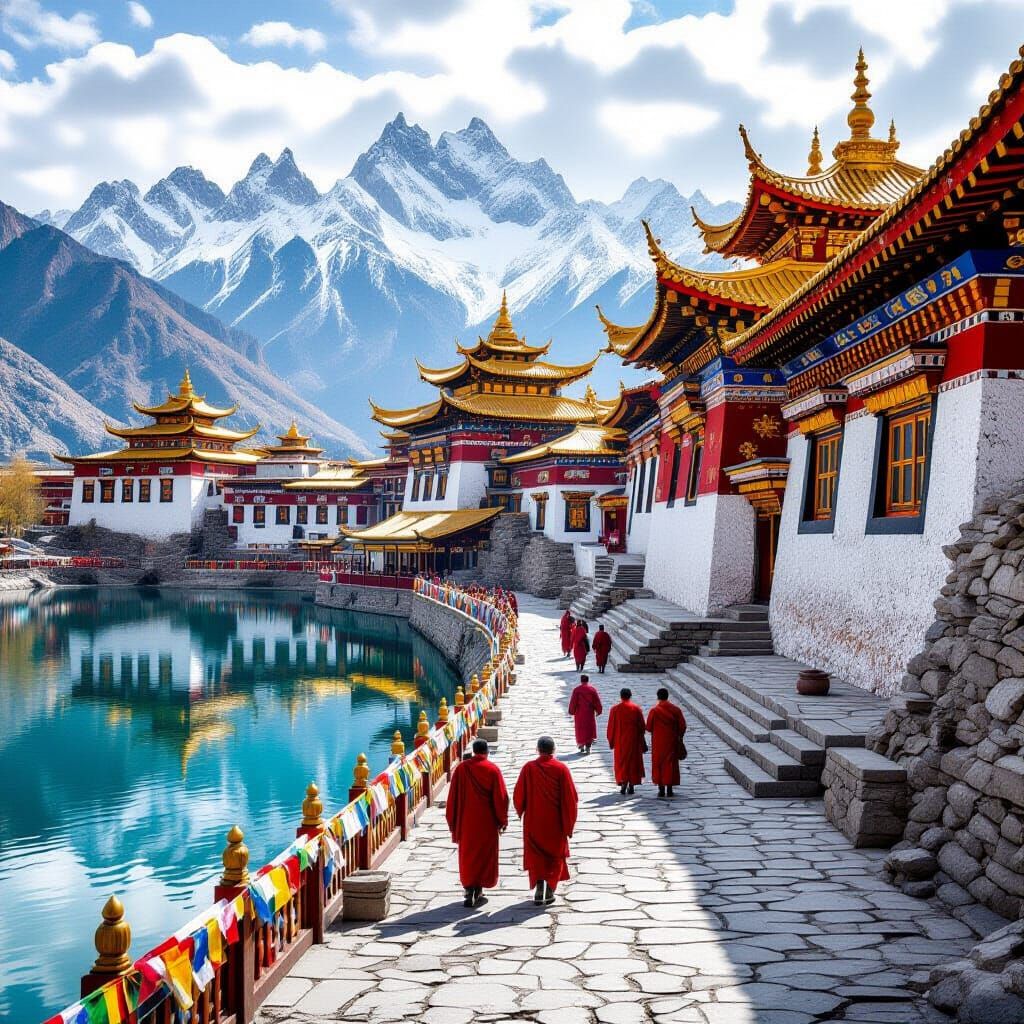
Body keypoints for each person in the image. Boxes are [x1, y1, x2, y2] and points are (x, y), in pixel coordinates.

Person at [512, 735, 579, 905]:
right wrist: (569, 823)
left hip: (534, 821)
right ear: (554, 750)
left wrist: (521, 810)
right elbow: (571, 798)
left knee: (537, 857)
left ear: (538, 750)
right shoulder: (561, 769)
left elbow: (518, 794)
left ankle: (539, 887)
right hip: (555, 823)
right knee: (554, 856)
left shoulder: (529, 768)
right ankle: (549, 888)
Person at [445, 738, 510, 908]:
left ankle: (469, 889)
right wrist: (502, 820)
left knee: (468, 856)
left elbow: (452, 798)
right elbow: (501, 798)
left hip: (466, 822)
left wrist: (452, 821)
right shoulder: (492, 770)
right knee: (484, 856)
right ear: (487, 752)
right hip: (487, 823)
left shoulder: (461, 769)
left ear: (473, 751)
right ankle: (479, 889)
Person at [646, 687, 687, 799]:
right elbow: (682, 726)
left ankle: (661, 788)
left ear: (658, 697)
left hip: (658, 743)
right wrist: (679, 736)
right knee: (670, 763)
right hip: (671, 741)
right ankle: (669, 788)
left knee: (659, 763)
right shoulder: (676, 710)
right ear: (667, 696)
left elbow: (649, 727)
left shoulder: (654, 711)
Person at [606, 688, 646, 795]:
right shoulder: (636, 709)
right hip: (634, 741)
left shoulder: (614, 709)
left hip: (620, 742)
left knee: (622, 762)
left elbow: (611, 727)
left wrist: (611, 740)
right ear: (630, 696)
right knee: (633, 762)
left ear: (621, 696)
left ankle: (623, 782)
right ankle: (632, 785)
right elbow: (642, 726)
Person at [568, 674, 603, 753]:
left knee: (580, 728)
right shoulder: (592, 689)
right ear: (588, 680)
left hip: (579, 713)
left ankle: (581, 745)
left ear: (581, 680)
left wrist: (571, 711)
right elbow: (597, 701)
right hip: (589, 712)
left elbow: (573, 702)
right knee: (589, 728)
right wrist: (599, 710)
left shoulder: (577, 690)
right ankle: (588, 746)